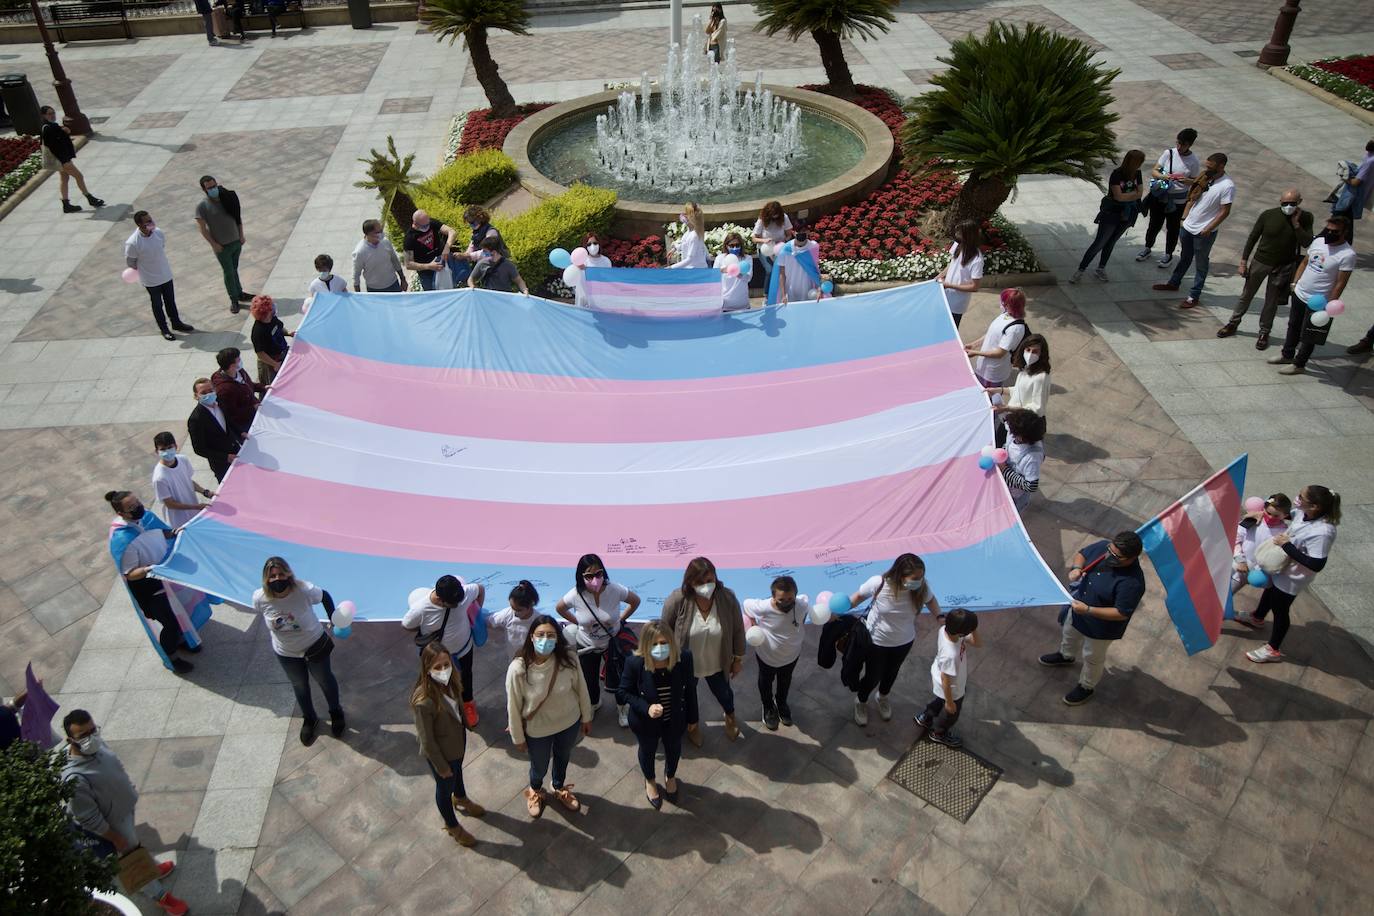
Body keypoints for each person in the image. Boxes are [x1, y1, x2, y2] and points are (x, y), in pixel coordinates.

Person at [62, 710, 189, 916]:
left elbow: (114, 764)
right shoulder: (74, 779)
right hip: (112, 825)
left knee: (135, 847)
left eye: (93, 730)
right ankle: (161, 897)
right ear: (70, 740)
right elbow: (87, 818)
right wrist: (114, 838)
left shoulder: (97, 745)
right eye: (83, 735)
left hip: (124, 811)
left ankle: (153, 869)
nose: (91, 737)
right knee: (131, 860)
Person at [105, 490, 212, 674]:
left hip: (166, 576)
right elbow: (130, 574)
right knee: (170, 623)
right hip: (150, 587)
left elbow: (160, 531)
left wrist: (172, 532)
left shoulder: (146, 517)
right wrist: (148, 570)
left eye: (137, 502)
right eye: (131, 507)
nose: (138, 508)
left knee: (181, 610)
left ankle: (185, 639)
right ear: (121, 514)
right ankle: (171, 657)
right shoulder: (122, 539)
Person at [1039, 531, 1147, 705]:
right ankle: (1066, 656)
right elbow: (1082, 554)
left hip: (1101, 628)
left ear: (1131, 558)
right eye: (1109, 550)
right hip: (1078, 611)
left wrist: (1088, 610)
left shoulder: (1132, 583)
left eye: (1115, 556)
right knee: (1069, 635)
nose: (1108, 556)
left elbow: (1121, 613)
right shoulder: (1105, 547)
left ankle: (1086, 686)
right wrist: (1076, 569)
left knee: (1092, 657)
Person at [1238, 485, 1340, 664]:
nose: (1297, 499)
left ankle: (1273, 649)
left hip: (1293, 577)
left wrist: (1287, 545)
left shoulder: (1323, 532)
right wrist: (1262, 514)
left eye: (1301, 497)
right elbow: (1289, 514)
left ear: (1314, 506)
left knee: (1280, 609)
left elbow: (1316, 564)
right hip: (1281, 567)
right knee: (1269, 591)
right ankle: (1257, 617)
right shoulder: (1304, 513)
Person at [506, 615, 593, 818]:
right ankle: (536, 790)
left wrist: (586, 716)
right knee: (539, 765)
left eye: (551, 635)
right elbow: (513, 705)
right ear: (531, 637)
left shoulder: (569, 659)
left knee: (563, 757)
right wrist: (517, 737)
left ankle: (559, 787)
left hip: (569, 723)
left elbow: (582, 689)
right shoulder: (518, 668)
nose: (546, 639)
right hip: (538, 730)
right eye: (541, 634)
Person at [254, 556, 345, 746]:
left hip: (314, 645)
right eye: (272, 576)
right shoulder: (260, 598)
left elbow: (325, 596)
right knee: (300, 686)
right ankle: (309, 718)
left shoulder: (303, 590)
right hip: (286, 652)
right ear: (266, 579)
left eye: (280, 574)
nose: (277, 579)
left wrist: (333, 617)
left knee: (325, 680)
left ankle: (336, 713)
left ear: (288, 574)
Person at [847, 554, 941, 725]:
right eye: (915, 578)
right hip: (877, 642)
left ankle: (883, 697)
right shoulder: (879, 583)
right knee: (873, 676)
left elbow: (931, 600)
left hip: (904, 642)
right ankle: (861, 701)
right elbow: (857, 597)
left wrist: (940, 616)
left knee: (891, 672)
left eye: (921, 577)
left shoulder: (921, 588)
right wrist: (836, 611)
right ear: (900, 574)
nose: (919, 581)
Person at [660, 557, 745, 745]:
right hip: (687, 665)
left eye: (710, 581)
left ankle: (730, 717)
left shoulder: (727, 598)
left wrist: (737, 659)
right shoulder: (677, 600)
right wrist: (665, 659)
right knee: (688, 698)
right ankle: (693, 726)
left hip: (717, 662)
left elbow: (738, 630)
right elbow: (664, 630)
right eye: (700, 582)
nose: (706, 586)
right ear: (690, 582)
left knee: (725, 694)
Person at [1218, 189, 1313, 349]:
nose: (1288, 206)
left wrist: (1296, 224)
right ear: (1280, 202)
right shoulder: (1268, 215)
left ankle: (1264, 332)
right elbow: (1253, 237)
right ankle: (1233, 323)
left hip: (1284, 266)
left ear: (1299, 202)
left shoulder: (1306, 218)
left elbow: (1306, 242)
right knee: (1247, 295)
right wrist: (1243, 261)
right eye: (1285, 203)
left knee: (1271, 301)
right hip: (1261, 261)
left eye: (1292, 203)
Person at [412, 643, 486, 846]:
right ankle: (452, 826)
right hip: (442, 754)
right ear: (427, 669)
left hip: (456, 744)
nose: (443, 670)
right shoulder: (424, 701)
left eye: (446, 664)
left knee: (458, 772)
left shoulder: (452, 682)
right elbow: (426, 740)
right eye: (437, 667)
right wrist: (441, 767)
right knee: (444, 790)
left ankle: (461, 797)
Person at [618, 621, 696, 808]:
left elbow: (690, 689)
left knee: (674, 749)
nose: (660, 648)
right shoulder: (634, 662)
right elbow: (622, 692)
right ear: (645, 645)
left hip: (674, 718)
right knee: (647, 751)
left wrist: (693, 718)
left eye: (664, 643)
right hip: (645, 723)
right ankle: (650, 780)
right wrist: (646, 708)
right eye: (654, 644)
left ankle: (670, 776)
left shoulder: (684, 658)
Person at [556, 554, 641, 724]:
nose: (595, 579)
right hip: (587, 645)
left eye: (598, 574)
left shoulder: (614, 589)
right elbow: (560, 608)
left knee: (618, 678)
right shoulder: (575, 595)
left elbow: (635, 601)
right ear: (581, 576)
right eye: (589, 576)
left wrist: (621, 620)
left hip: (612, 644)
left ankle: (622, 708)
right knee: (589, 679)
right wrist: (577, 622)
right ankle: (594, 703)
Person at [1269, 214, 1355, 375]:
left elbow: (1340, 282)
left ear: (1344, 232)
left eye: (1334, 231)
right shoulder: (1318, 242)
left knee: (1309, 333)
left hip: (1319, 300)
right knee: (1293, 325)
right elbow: (1304, 262)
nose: (1329, 234)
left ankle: (1299, 364)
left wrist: (1330, 303)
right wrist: (1294, 283)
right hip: (1300, 293)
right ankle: (1287, 354)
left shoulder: (1347, 255)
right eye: (1327, 229)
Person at [403, 575, 486, 728]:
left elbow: (480, 589)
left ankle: (468, 704)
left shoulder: (463, 594)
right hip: (437, 656)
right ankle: (439, 707)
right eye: (453, 604)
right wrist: (425, 630)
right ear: (440, 599)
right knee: (436, 680)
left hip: (463, 648)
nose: (458, 605)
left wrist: (476, 612)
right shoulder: (421, 609)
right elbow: (407, 625)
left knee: (466, 677)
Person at [1153, 152, 1234, 308]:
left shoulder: (1227, 186)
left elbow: (1225, 211)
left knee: (1201, 263)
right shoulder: (1205, 177)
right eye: (1207, 165)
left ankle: (1193, 295)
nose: (1207, 169)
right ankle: (1174, 283)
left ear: (1221, 166)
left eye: (1211, 167)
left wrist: (1209, 228)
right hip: (1189, 226)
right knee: (1185, 256)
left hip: (1204, 232)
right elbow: (1192, 198)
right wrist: (1184, 219)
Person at [741, 576, 812, 730]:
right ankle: (767, 706)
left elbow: (805, 602)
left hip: (792, 655)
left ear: (795, 595)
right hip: (767, 657)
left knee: (785, 681)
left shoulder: (802, 604)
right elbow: (746, 604)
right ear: (773, 597)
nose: (786, 603)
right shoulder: (763, 607)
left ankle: (781, 703)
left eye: (790, 599)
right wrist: (753, 624)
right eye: (781, 599)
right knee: (765, 682)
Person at [1071, 149, 1145, 282]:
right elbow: (1118, 196)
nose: (1139, 165)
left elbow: (1139, 193)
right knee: (1099, 243)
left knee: (1111, 242)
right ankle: (1081, 270)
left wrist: (1128, 196)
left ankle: (1101, 268)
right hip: (1112, 214)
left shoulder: (1137, 173)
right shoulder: (1117, 174)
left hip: (1128, 214)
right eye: (1138, 162)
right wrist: (1132, 195)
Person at [914, 608, 980, 748]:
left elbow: (977, 643)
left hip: (940, 678)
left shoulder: (946, 629)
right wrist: (950, 703)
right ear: (962, 632)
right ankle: (939, 732)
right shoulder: (950, 654)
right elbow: (946, 680)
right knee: (951, 714)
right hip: (952, 688)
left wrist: (972, 628)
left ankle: (926, 716)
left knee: (939, 700)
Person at [124, 210, 193, 342]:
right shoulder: (133, 243)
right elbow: (131, 262)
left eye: (151, 219)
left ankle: (176, 323)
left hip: (165, 274)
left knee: (170, 301)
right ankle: (164, 329)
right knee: (157, 304)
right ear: (140, 225)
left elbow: (161, 247)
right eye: (148, 221)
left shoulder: (158, 233)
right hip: (150, 280)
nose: (152, 223)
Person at [1137, 128, 1200, 266]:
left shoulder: (1194, 161)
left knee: (1173, 228)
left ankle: (1168, 254)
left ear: (1190, 145)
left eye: (1183, 145)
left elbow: (1195, 182)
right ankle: (1147, 247)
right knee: (1154, 224)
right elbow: (1155, 171)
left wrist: (1185, 180)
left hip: (1178, 200)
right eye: (1178, 143)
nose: (1179, 147)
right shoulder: (1169, 153)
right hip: (1161, 196)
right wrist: (1165, 176)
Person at [195, 175, 251, 313]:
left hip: (235, 242)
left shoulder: (227, 198)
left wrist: (241, 235)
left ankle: (240, 293)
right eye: (210, 188)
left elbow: (237, 216)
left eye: (214, 186)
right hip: (222, 246)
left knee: (234, 268)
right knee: (228, 272)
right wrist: (214, 244)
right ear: (204, 190)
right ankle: (234, 299)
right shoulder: (202, 206)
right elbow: (202, 229)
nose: (213, 189)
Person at [39, 105, 103, 214]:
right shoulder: (49, 128)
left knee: (64, 179)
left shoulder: (51, 126)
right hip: (63, 160)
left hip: (62, 159)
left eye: (53, 113)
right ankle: (89, 198)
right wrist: (65, 161)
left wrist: (63, 130)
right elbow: (55, 147)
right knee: (79, 176)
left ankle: (66, 204)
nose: (52, 115)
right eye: (49, 114)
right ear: (44, 116)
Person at [991, 333, 1050, 448]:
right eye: (1028, 350)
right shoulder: (1025, 370)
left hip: (1023, 426)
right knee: (998, 445)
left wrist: (1007, 408)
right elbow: (1019, 391)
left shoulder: (1041, 377)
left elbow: (1037, 409)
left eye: (1035, 351)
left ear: (1041, 354)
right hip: (1012, 419)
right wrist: (997, 390)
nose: (1030, 354)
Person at [964, 287, 1028, 388]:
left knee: (988, 397)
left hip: (992, 373)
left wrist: (976, 353)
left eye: (1003, 301)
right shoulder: (1005, 315)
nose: (1001, 303)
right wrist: (974, 344)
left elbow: (999, 353)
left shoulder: (1015, 329)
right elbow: (991, 334)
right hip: (983, 367)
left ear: (1008, 305)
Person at [1230, 493, 1291, 595]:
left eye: (1276, 515)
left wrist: (1261, 569)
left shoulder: (1284, 532)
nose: (1271, 517)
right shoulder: (1251, 521)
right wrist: (1240, 560)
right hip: (1240, 568)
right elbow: (1235, 539)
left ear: (1285, 515)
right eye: (1268, 513)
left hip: (1261, 573)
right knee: (1226, 596)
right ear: (1263, 509)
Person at [151, 431, 214, 528]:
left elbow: (188, 481)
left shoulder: (183, 460)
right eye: (163, 449)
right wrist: (195, 507)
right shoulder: (159, 478)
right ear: (157, 451)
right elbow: (170, 504)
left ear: (176, 446)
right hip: (179, 521)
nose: (167, 452)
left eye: (169, 448)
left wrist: (205, 492)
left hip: (195, 513)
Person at [187, 377, 244, 482]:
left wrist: (241, 432)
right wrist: (225, 457)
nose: (209, 394)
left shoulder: (219, 402)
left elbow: (228, 421)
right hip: (221, 464)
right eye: (204, 393)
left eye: (211, 390)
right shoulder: (196, 419)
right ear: (196, 396)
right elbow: (199, 449)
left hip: (236, 450)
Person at [1000, 409, 1046, 512]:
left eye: (1013, 432)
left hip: (1015, 496)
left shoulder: (1032, 458)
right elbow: (1006, 423)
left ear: (1021, 436)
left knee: (1009, 515)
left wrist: (1004, 470)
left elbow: (1031, 486)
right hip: (1004, 486)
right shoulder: (1016, 434)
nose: (1011, 433)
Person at [210, 347, 265, 431]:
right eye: (238, 359)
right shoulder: (224, 390)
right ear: (232, 365)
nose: (241, 361)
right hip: (246, 423)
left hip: (254, 409)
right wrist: (253, 408)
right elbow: (232, 413)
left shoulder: (239, 371)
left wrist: (263, 387)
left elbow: (248, 385)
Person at [404, 209, 459, 292]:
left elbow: (452, 232)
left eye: (428, 224)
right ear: (415, 224)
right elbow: (408, 264)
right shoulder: (409, 238)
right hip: (426, 271)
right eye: (424, 226)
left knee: (451, 287)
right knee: (432, 293)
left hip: (442, 261)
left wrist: (447, 248)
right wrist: (429, 266)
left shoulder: (431, 223)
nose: (428, 227)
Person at [941, 221, 984, 327]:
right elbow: (951, 265)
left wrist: (949, 285)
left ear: (967, 235)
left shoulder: (977, 259)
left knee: (950, 331)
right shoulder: (957, 246)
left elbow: (975, 287)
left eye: (959, 233)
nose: (956, 235)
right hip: (945, 296)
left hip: (956, 304)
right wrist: (939, 277)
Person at [1332, 138, 1374, 241]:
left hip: (1354, 195)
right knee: (1345, 221)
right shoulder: (1369, 154)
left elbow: (1356, 182)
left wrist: (1343, 176)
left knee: (1339, 219)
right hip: (1356, 194)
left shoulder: (1371, 161)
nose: (1370, 139)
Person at [771, 226, 822, 305]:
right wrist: (783, 294)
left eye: (804, 231)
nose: (801, 234)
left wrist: (819, 288)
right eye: (799, 232)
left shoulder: (813, 247)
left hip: (808, 289)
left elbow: (815, 269)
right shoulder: (785, 250)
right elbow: (782, 274)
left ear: (808, 232)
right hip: (790, 290)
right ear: (794, 233)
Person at [352, 220, 407, 292]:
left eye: (381, 230)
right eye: (378, 232)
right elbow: (356, 275)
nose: (381, 234)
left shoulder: (385, 242)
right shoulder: (360, 252)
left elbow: (395, 260)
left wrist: (403, 279)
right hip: (374, 289)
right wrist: (358, 295)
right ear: (368, 233)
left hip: (393, 284)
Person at [487, 580, 539, 655]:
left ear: (531, 605)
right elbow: (489, 622)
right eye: (512, 607)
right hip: (513, 660)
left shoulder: (538, 620)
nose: (515, 612)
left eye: (519, 610)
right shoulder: (507, 614)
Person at [249, 296, 292, 386]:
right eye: (271, 306)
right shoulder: (258, 331)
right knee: (272, 385)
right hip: (270, 362)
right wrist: (275, 364)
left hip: (282, 352)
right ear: (266, 312)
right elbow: (260, 353)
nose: (274, 307)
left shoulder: (273, 319)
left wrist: (288, 333)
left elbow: (279, 328)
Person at [752, 200, 794, 279]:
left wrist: (783, 241)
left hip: (780, 248)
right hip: (765, 249)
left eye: (776, 215)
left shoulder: (784, 217)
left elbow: (789, 234)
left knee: (783, 269)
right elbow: (754, 239)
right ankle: (767, 291)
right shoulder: (762, 219)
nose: (774, 217)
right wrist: (764, 240)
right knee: (770, 270)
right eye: (772, 216)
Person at [714, 230, 753, 311]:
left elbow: (748, 278)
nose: (735, 248)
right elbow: (714, 276)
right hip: (725, 304)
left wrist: (737, 272)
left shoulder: (747, 258)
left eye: (737, 245)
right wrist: (723, 270)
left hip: (742, 304)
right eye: (731, 245)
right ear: (726, 246)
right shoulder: (720, 258)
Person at [571, 232, 613, 307]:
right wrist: (578, 268)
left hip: (601, 300)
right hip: (584, 300)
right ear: (585, 246)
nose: (592, 246)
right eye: (589, 244)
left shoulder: (606, 261)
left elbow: (609, 280)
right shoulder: (582, 261)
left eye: (595, 243)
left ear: (599, 244)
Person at [670, 203, 708, 268]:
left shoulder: (694, 236)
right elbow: (686, 244)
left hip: (696, 270)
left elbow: (690, 259)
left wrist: (672, 267)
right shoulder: (689, 232)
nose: (683, 215)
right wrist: (675, 248)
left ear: (691, 218)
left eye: (686, 214)